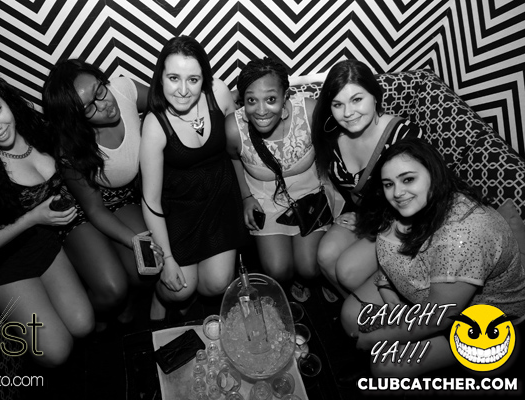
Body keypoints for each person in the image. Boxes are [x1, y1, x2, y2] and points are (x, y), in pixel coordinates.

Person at [0, 70, 94, 366]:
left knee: (83, 324)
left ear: (7, 100)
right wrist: (32, 217)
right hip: (1, 262)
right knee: (56, 351)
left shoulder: (36, 130)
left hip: (41, 243)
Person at [341, 138, 525, 377]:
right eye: (389, 184)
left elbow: (439, 316)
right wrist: (387, 288)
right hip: (426, 285)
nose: (397, 192)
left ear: (433, 174)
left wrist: (374, 338)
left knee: (384, 365)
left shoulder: (464, 236)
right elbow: (388, 252)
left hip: (479, 318)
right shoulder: (409, 204)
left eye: (408, 179)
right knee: (351, 317)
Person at [42, 60, 161, 328]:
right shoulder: (70, 146)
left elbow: (168, 104)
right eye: (89, 108)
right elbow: (94, 209)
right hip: (78, 211)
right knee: (112, 289)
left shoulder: (124, 91)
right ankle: (92, 313)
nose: (104, 103)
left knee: (146, 269)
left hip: (121, 199)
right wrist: (134, 240)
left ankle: (126, 301)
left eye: (99, 90)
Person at [140, 35, 247, 322]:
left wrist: (249, 194)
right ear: (161, 78)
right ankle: (161, 297)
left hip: (220, 199)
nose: (184, 90)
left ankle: (194, 298)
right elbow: (150, 200)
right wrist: (168, 260)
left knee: (217, 284)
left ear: (205, 79)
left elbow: (239, 147)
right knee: (179, 291)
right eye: (174, 78)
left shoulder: (218, 93)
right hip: (180, 210)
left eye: (193, 79)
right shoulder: (155, 124)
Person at [225, 57, 343, 291]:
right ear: (243, 101)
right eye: (251, 100)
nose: (261, 111)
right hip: (265, 200)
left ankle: (313, 282)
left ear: (285, 96)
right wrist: (246, 197)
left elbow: (333, 149)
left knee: (309, 267)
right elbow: (233, 159)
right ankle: (293, 283)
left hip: (311, 196)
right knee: (278, 270)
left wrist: (336, 193)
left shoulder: (309, 112)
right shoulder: (233, 128)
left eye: (270, 99)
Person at [312, 59, 422, 296]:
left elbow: (419, 198)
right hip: (366, 215)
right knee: (326, 255)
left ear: (375, 96)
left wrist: (374, 220)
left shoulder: (403, 135)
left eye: (357, 100)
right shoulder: (331, 136)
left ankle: (387, 310)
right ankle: (357, 309)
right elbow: (331, 182)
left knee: (347, 271)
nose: (348, 113)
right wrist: (343, 213)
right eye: (338, 104)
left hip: (402, 221)